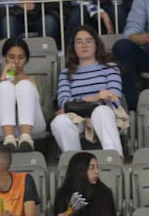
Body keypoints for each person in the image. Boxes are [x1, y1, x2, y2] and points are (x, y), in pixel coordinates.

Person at [52, 24, 126, 154]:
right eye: (79, 42)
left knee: (101, 111)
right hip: (77, 117)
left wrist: (78, 102)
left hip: (106, 114)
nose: (84, 45)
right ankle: (75, 163)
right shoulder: (66, 73)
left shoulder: (110, 68)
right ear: (74, 47)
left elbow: (114, 99)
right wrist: (95, 98)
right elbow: (64, 102)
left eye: (89, 41)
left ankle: (115, 159)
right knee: (59, 121)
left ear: (96, 44)